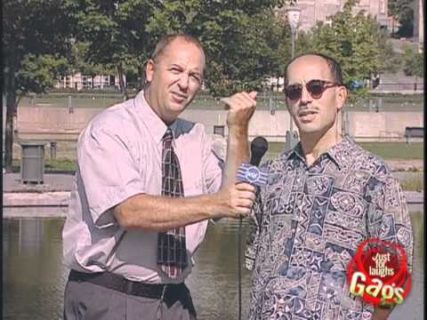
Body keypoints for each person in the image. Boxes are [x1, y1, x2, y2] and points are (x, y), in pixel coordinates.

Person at [62, 33, 258, 320]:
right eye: (176, 70)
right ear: (151, 70)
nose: (184, 83)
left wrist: (239, 131)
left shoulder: (195, 137)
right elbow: (130, 211)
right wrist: (217, 203)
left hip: (174, 299)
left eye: (194, 76)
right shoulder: (110, 129)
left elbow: (235, 196)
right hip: (111, 297)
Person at [245, 53, 413, 320]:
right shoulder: (272, 174)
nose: (305, 99)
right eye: (293, 91)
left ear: (341, 96)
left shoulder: (372, 176)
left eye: (316, 88)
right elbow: (253, 257)